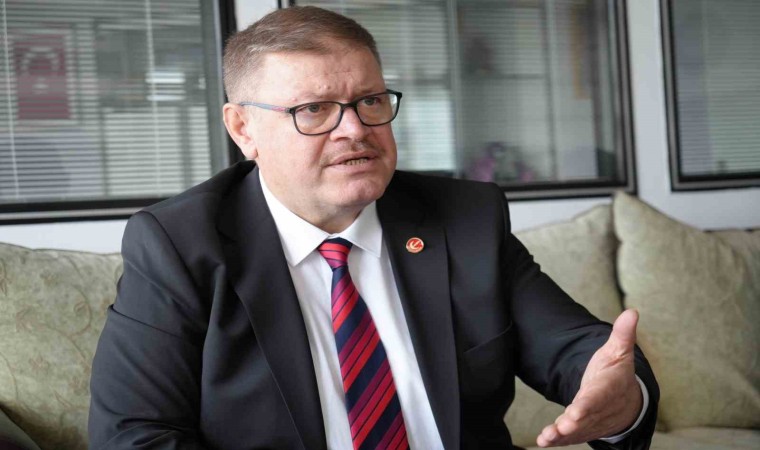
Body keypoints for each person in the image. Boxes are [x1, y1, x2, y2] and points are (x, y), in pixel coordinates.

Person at [88, 6, 658, 450]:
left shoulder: (465, 218)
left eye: (370, 100)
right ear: (243, 129)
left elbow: (579, 351)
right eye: (314, 109)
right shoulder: (180, 245)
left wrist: (623, 397)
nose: (355, 130)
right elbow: (135, 434)